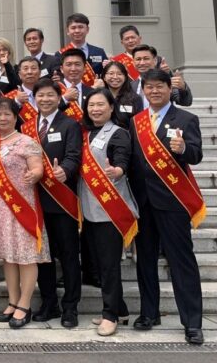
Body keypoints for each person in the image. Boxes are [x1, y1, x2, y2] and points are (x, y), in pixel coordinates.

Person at [129, 69, 205, 345]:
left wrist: (184, 148)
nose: (154, 91)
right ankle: (149, 313)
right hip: (143, 202)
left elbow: (196, 155)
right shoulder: (136, 121)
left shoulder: (186, 118)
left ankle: (192, 322)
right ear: (144, 90)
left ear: (167, 89)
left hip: (173, 201)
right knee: (145, 260)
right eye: (149, 87)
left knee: (181, 261)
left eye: (159, 86)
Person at [0, 98, 49, 329]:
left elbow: (37, 167)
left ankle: (24, 304)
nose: (2, 118)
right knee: (8, 257)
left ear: (15, 116)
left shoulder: (26, 141)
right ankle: (12, 300)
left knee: (26, 256)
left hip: (22, 206)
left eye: (7, 114)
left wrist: (36, 174)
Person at [80, 89, 139, 337]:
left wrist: (118, 171)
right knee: (98, 264)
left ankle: (110, 315)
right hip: (89, 210)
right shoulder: (86, 134)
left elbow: (122, 159)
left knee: (109, 266)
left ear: (111, 107)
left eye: (100, 104)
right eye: (91, 105)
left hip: (110, 210)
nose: (95, 109)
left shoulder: (118, 133)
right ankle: (121, 310)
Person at [30, 78, 83, 326]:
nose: (45, 100)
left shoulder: (69, 124)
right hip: (37, 201)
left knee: (69, 255)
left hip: (62, 201)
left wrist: (65, 170)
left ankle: (70, 307)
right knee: (44, 256)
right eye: (40, 96)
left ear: (58, 97)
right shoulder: (28, 126)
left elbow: (74, 155)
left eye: (50, 95)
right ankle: (49, 302)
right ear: (35, 98)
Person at [56, 13, 109, 79]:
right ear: (67, 31)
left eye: (80, 27)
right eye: (73, 28)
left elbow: (106, 75)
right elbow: (58, 78)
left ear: (87, 29)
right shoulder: (60, 54)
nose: (77, 31)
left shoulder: (99, 52)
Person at [101, 60, 144, 129]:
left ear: (125, 77)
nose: (115, 77)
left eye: (119, 74)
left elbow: (138, 125)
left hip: (126, 138)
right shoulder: (99, 97)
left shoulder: (135, 99)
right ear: (104, 77)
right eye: (111, 73)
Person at [57, 48, 95, 123]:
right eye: (69, 64)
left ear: (84, 68)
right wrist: (65, 99)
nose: (73, 69)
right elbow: (46, 112)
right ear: (61, 69)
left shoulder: (92, 92)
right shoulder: (53, 89)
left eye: (77, 64)